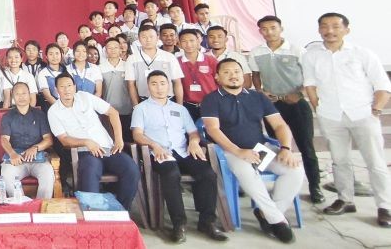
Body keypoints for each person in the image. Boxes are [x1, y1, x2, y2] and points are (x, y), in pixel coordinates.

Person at [302, 12, 391, 227]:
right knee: (339, 160)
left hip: (363, 114)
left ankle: (385, 206)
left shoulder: (362, 53)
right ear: (319, 30)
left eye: (335, 26)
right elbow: (310, 85)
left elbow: (382, 85)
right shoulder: (311, 55)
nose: (329, 31)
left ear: (346, 30)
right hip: (330, 115)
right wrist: (318, 108)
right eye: (324, 26)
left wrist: (376, 109)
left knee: (375, 162)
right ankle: (345, 199)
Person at [201, 59, 304, 243]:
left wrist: (286, 148)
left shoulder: (257, 97)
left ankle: (268, 213)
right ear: (217, 77)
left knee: (294, 170)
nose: (233, 75)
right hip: (231, 151)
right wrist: (238, 151)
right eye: (227, 72)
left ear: (243, 75)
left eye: (237, 71)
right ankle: (278, 221)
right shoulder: (211, 99)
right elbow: (213, 130)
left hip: (261, 150)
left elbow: (279, 124)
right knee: (246, 173)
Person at [132, 71, 227, 243]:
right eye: (154, 84)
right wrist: (154, 145)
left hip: (184, 151)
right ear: (148, 86)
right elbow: (137, 134)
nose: (159, 87)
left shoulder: (180, 109)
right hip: (160, 153)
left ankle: (207, 222)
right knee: (171, 174)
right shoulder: (141, 109)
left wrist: (194, 142)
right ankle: (179, 223)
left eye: (162, 83)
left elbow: (193, 132)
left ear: (169, 85)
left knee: (207, 174)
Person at [250, 15, 323, 204]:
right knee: (276, 146)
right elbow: (256, 74)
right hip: (272, 105)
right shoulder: (257, 52)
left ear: (281, 29)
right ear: (260, 32)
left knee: (306, 146)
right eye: (264, 29)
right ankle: (279, 184)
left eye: (273, 28)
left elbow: (310, 75)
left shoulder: (297, 50)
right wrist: (260, 92)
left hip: (296, 104)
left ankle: (315, 186)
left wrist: (299, 92)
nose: (269, 32)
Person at [46, 73, 139, 210]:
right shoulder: (53, 111)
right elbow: (64, 140)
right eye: (62, 87)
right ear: (56, 90)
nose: (67, 90)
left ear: (75, 86)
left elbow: (113, 113)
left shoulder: (85, 97)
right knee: (90, 173)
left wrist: (119, 139)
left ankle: (122, 211)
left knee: (131, 169)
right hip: (85, 153)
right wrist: (87, 142)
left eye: (69, 86)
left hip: (108, 149)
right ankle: (94, 216)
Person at [0, 82, 55, 199]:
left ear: (29, 94)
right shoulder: (7, 116)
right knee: (6, 175)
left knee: (48, 174)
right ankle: (22, 206)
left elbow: (48, 140)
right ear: (13, 97)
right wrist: (12, 153)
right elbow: (4, 139)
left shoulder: (40, 115)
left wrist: (35, 148)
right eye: (17, 94)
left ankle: (41, 207)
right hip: (17, 158)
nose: (21, 97)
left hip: (38, 159)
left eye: (24, 93)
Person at [126, 25, 184, 106]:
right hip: (144, 101)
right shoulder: (132, 59)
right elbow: (131, 85)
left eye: (151, 36)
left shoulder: (169, 57)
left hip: (169, 100)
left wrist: (179, 106)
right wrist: (136, 106)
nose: (148, 40)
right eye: (144, 37)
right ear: (139, 39)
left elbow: (177, 83)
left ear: (157, 37)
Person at [177, 29, 219, 120]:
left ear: (198, 41)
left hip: (211, 104)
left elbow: (220, 81)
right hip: (188, 106)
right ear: (179, 43)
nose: (188, 44)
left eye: (191, 41)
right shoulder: (176, 62)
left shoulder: (210, 60)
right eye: (184, 41)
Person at [100, 38, 133, 144]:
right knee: (111, 139)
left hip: (126, 110)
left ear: (120, 50)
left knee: (127, 139)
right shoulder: (100, 68)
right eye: (109, 47)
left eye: (116, 47)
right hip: (108, 110)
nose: (113, 50)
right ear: (105, 51)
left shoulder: (128, 65)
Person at [37, 43, 67, 107]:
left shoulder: (67, 71)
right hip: (52, 106)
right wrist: (61, 108)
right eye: (51, 54)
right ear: (46, 57)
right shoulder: (43, 73)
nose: (54, 57)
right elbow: (48, 96)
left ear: (61, 55)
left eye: (57, 53)